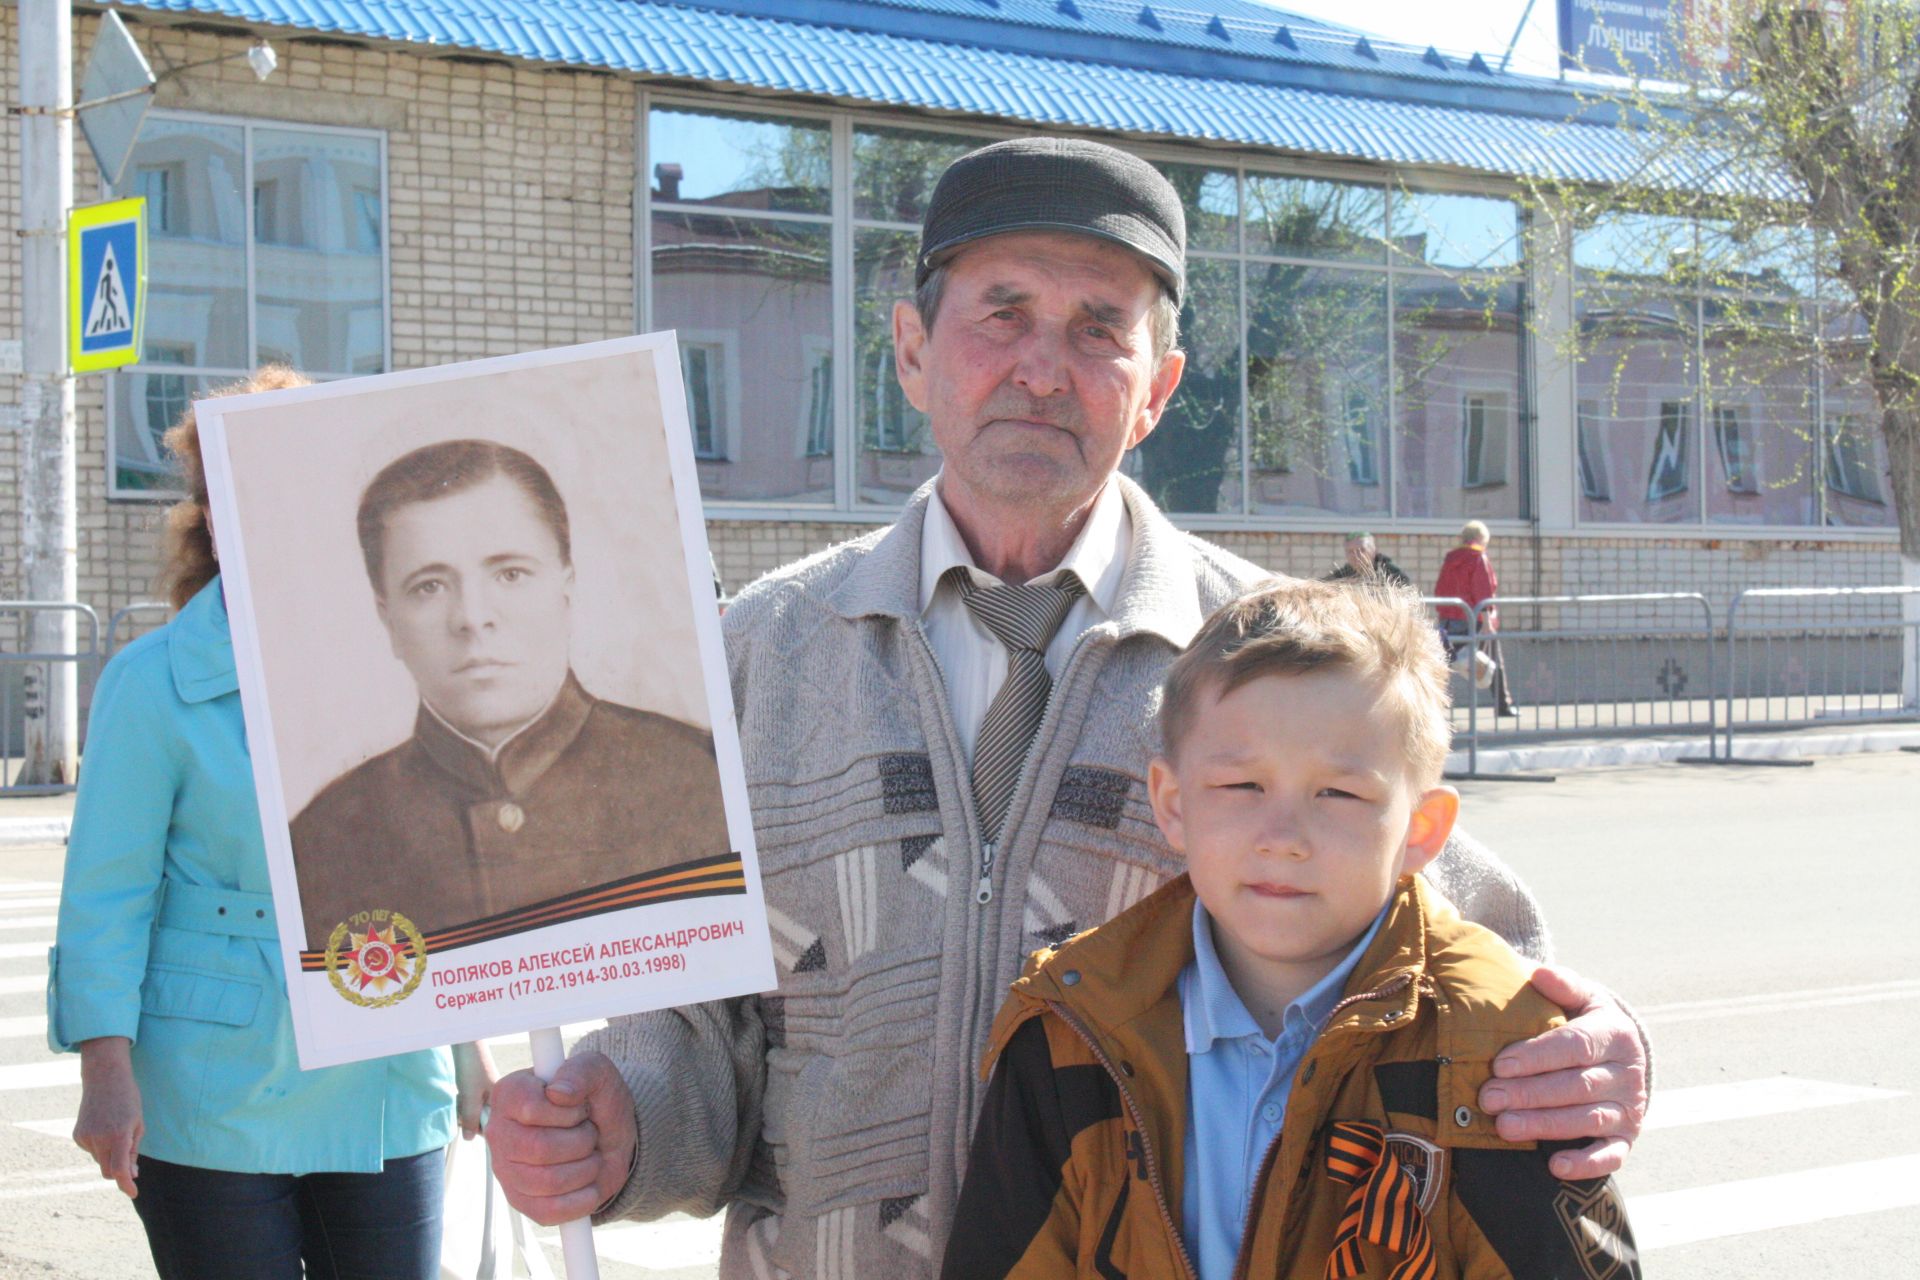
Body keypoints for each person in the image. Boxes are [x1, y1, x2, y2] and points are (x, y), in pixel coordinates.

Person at [487, 138, 1647, 1279]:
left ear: (1158, 389)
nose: (1044, 367)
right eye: (1002, 312)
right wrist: (620, 1111)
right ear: (910, 350)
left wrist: (1593, 1050)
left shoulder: (1268, 663)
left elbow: (1463, 955)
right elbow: (701, 1021)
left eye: (1101, 328)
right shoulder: (763, 654)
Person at [940, 578, 1639, 1280]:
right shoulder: (1068, 1032)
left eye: (1338, 793)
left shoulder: (1498, 1053)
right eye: (1242, 786)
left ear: (1422, 829)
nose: (1283, 838)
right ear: (1173, 804)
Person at [49, 368, 495, 1280]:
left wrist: (472, 1044)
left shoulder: (398, 662)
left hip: (389, 1064)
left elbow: (439, 873)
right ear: (214, 517)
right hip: (211, 1084)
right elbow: (108, 895)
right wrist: (105, 1070)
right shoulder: (154, 680)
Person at [290, 438, 731, 951]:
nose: (473, 617)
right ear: (388, 619)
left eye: (510, 574)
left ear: (566, 587)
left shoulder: (699, 777)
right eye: (429, 586)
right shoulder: (326, 839)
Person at [1433, 520, 1518, 717]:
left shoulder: (1450, 559)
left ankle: (1432, 709)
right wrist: (1487, 620)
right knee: (1494, 660)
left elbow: (1440, 589)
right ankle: (1503, 706)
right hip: (1473, 619)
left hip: (1448, 619)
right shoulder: (1478, 558)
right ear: (1480, 539)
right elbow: (1483, 590)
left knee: (1442, 666)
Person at [1322, 531, 1410, 588]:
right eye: (1350, 551)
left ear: (1374, 550)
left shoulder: (1391, 572)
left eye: (1361, 550)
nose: (1356, 555)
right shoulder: (1341, 575)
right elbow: (1322, 586)